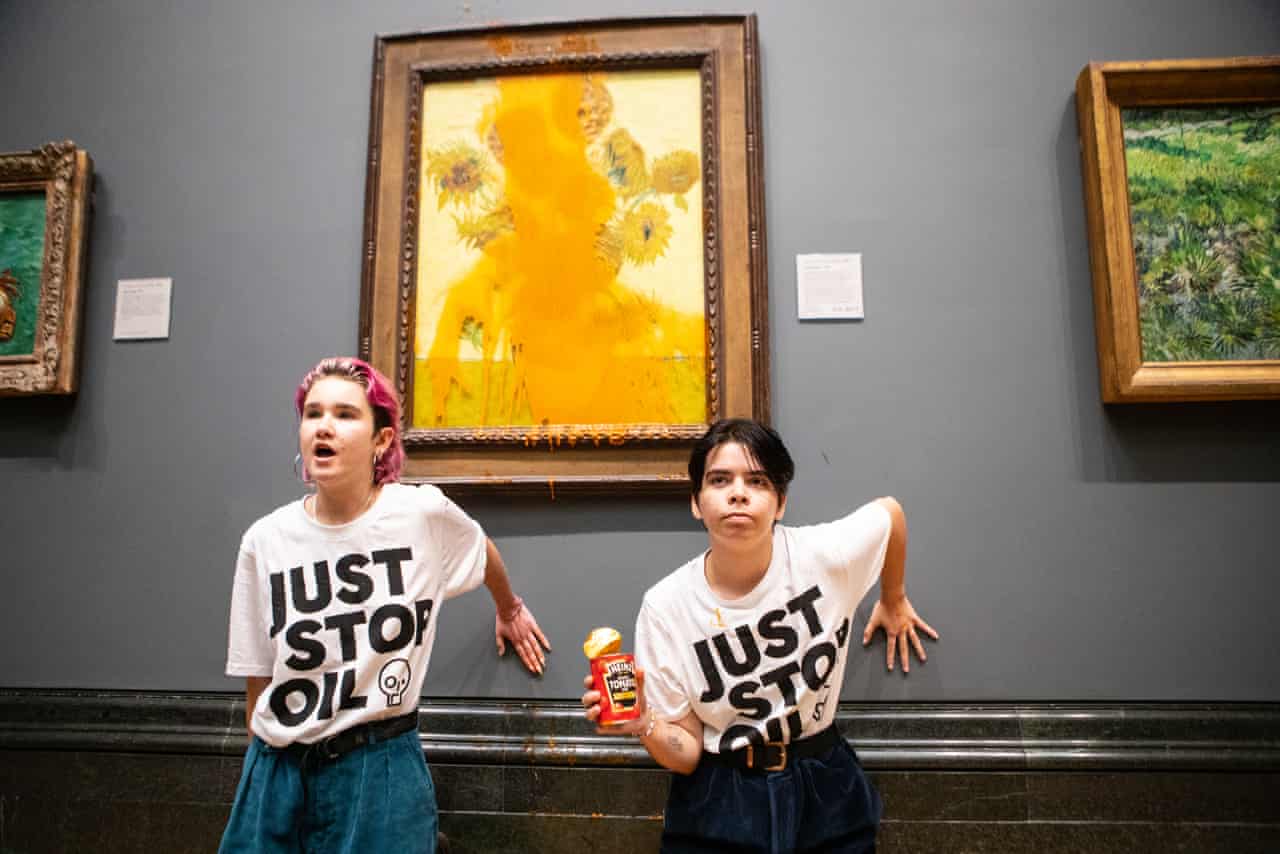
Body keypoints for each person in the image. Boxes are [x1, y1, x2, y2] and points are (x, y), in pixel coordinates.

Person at [220, 357, 550, 853]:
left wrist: (509, 608)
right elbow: (259, 680)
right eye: (313, 413)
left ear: (382, 440)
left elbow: (480, 551)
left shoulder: (419, 514)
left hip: (379, 768)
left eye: (345, 414)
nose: (324, 426)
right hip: (278, 772)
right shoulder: (264, 541)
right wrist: (262, 779)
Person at [581, 418, 937, 853]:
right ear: (696, 502)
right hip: (719, 791)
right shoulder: (665, 607)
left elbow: (891, 513)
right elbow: (686, 753)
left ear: (780, 503)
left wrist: (893, 599)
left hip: (823, 781)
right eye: (719, 480)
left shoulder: (828, 557)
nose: (738, 493)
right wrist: (644, 723)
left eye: (757, 481)